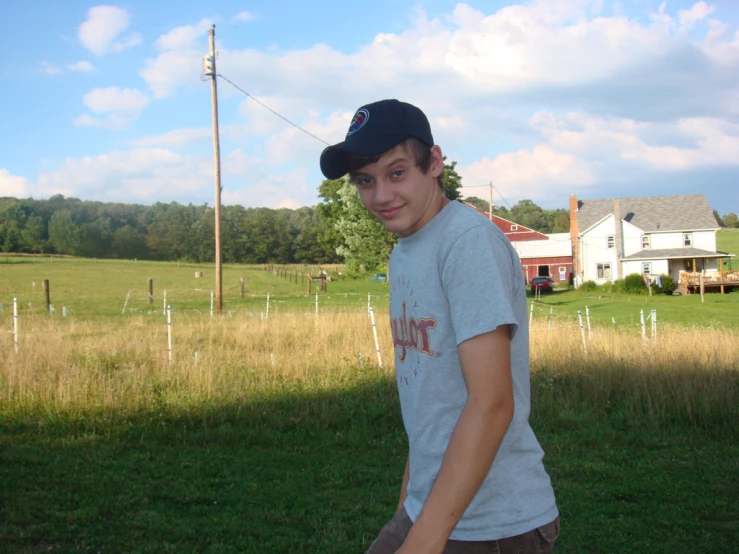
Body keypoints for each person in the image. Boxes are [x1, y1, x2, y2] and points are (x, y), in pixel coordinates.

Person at [319, 99, 559, 554]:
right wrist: (408, 508)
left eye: (396, 173)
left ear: (434, 163)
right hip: (430, 510)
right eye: (365, 181)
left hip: (494, 526)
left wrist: (424, 540)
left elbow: (492, 403)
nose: (381, 196)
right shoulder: (406, 250)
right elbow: (430, 399)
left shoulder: (466, 244)